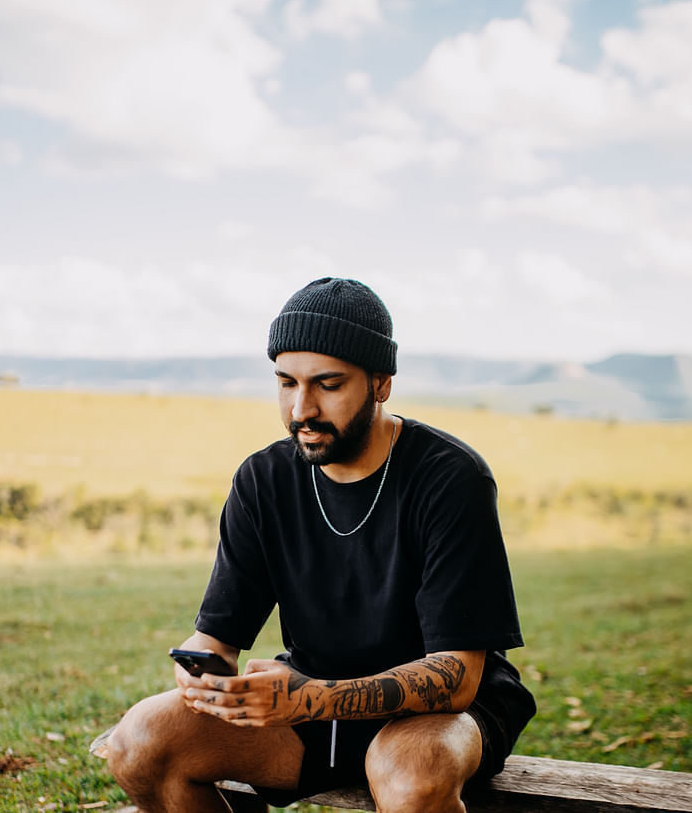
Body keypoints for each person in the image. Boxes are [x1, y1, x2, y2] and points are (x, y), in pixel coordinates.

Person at [105, 277, 535, 812]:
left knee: (410, 775)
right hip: (310, 704)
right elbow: (213, 639)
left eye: (327, 385)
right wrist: (204, 677)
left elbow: (456, 676)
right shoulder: (263, 479)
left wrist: (305, 697)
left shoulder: (451, 478)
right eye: (286, 383)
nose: (300, 409)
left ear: (381, 383)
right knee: (141, 741)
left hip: (441, 713)